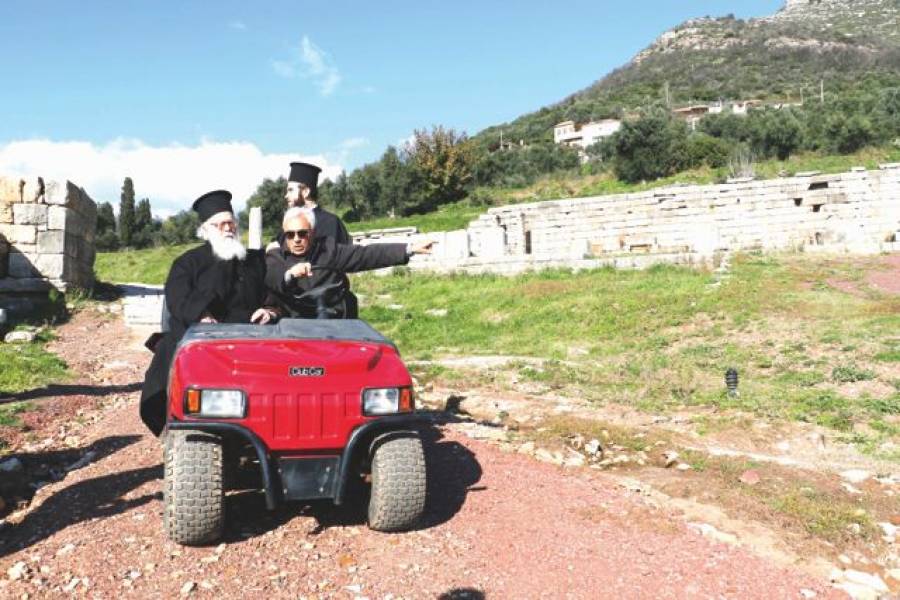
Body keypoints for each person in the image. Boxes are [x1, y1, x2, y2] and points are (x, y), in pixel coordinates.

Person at [139, 190, 280, 436]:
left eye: (231, 223)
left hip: (252, 338)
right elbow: (177, 300)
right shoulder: (188, 263)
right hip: (203, 338)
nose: (228, 229)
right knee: (170, 352)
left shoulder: (254, 261)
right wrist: (201, 315)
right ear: (206, 230)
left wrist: (269, 310)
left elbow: (273, 293)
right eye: (220, 224)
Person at [265, 206, 431, 318]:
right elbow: (273, 275)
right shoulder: (276, 256)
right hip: (295, 323)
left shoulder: (329, 250)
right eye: (290, 234)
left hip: (332, 320)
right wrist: (291, 274)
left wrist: (409, 249)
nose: (296, 239)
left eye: (302, 233)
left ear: (312, 233)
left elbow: (365, 255)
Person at [285, 161, 350, 245]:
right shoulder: (290, 222)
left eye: (290, 190)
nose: (286, 196)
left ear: (305, 192)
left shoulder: (331, 223)